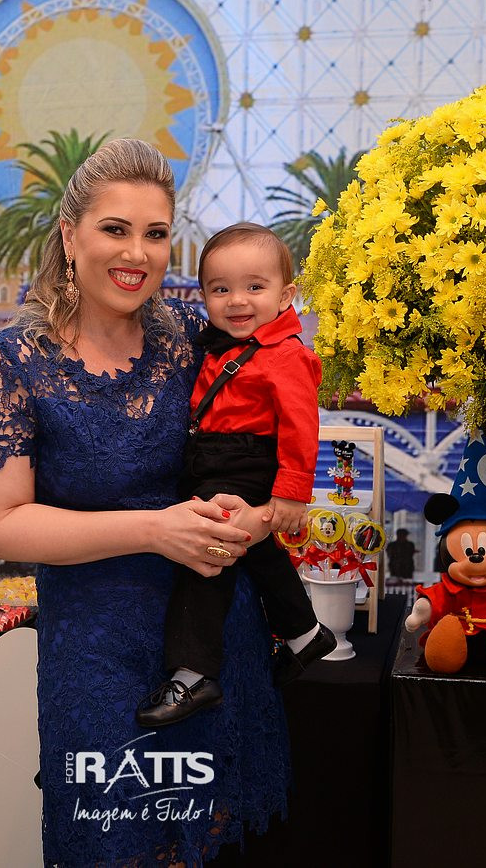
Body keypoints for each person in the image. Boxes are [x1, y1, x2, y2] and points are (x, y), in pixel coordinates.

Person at [0, 139, 289, 866]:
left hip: (213, 650)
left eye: (156, 233)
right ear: (70, 235)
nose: (137, 253)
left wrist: (262, 516)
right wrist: (153, 530)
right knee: (114, 847)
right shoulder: (15, 362)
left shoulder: (194, 343)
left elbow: (268, 447)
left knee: (213, 844)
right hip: (97, 656)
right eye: (115, 229)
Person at [136, 223, 334, 728]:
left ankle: (194, 671)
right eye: (221, 289)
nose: (237, 300)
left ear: (286, 295)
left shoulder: (287, 355)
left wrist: (291, 494)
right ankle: (306, 634)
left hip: (244, 460)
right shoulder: (222, 346)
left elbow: (301, 426)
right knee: (255, 550)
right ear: (203, 295)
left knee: (206, 553)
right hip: (213, 457)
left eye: (255, 287)